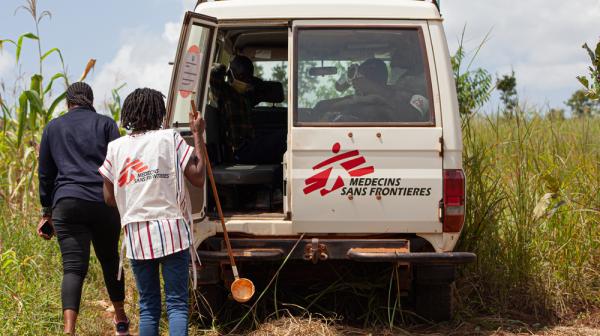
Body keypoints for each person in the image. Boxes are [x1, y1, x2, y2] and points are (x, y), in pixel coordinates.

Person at [99, 88, 206, 336]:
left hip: (137, 234)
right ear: (159, 113)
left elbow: (108, 198)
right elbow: (199, 177)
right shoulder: (171, 138)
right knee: (177, 304)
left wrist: (134, 191)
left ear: (129, 114)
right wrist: (198, 134)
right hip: (173, 231)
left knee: (148, 307)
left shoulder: (115, 148)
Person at [38, 82, 130, 335]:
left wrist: (46, 211)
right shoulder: (106, 124)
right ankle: (121, 318)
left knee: (73, 268)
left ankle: (69, 330)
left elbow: (45, 173)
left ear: (69, 103)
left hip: (67, 203)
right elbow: (120, 165)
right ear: (90, 100)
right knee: (110, 260)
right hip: (103, 202)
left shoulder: (53, 127)